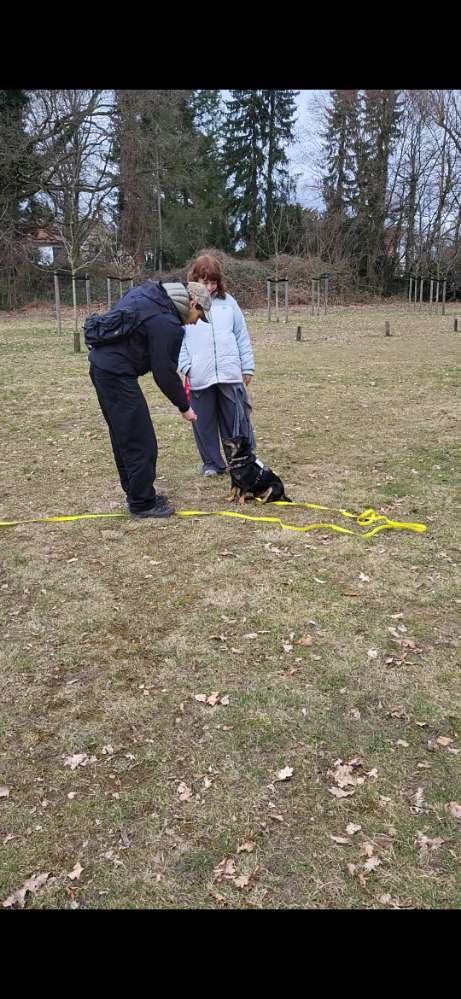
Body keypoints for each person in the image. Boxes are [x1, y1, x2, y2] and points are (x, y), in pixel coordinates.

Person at [88, 279, 212, 518]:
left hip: (102, 367)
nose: (196, 322)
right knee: (140, 441)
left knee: (124, 437)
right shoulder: (168, 322)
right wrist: (184, 406)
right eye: (199, 315)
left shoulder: (151, 293)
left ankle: (138, 493)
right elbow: (164, 373)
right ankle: (142, 503)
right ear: (192, 303)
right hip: (115, 374)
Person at [178, 255, 255, 476]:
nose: (210, 287)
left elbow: (241, 335)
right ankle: (212, 463)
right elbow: (177, 339)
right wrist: (186, 366)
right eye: (205, 282)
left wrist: (247, 366)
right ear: (195, 279)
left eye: (213, 282)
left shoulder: (229, 303)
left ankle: (238, 460)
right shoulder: (184, 305)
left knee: (235, 420)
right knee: (203, 422)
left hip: (229, 373)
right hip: (199, 375)